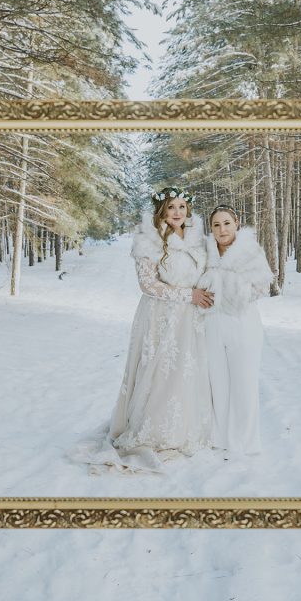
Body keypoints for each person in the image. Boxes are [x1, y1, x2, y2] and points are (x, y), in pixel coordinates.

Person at [101, 186, 214, 472]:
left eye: (182, 207)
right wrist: (188, 295)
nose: (178, 212)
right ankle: (156, 429)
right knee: (162, 370)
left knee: (185, 370)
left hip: (191, 316)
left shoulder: (195, 238)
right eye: (172, 207)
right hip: (161, 315)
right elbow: (148, 285)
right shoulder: (148, 239)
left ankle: (183, 427)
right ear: (161, 210)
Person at [196, 204, 273, 456]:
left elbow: (262, 286)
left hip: (242, 322)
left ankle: (246, 440)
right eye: (216, 225)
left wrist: (233, 292)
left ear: (237, 223)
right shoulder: (205, 251)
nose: (222, 229)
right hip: (211, 323)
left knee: (244, 382)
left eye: (227, 223)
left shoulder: (249, 251)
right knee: (217, 382)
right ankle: (219, 436)